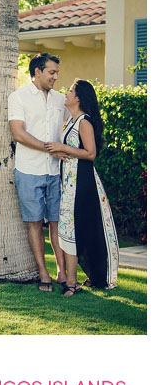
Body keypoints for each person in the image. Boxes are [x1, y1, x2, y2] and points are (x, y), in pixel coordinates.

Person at [44, 79, 119, 296]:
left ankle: (72, 283)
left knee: (71, 229)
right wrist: (60, 151)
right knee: (68, 230)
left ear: (78, 98)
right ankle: (72, 281)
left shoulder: (84, 122)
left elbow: (90, 153)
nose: (66, 93)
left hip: (80, 183)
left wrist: (62, 147)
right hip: (70, 183)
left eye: (70, 90)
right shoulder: (72, 120)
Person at [8, 53, 67, 292]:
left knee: (57, 222)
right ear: (38, 71)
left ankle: (63, 272)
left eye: (56, 73)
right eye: (51, 72)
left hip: (56, 171)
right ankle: (43, 272)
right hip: (28, 169)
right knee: (34, 223)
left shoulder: (61, 99)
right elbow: (18, 134)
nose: (55, 77)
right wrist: (51, 148)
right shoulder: (18, 97)